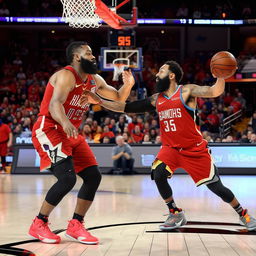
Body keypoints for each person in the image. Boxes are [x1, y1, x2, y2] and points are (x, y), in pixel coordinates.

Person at [81, 60, 256, 231]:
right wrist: (100, 101)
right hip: (171, 148)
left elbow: (213, 91)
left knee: (216, 187)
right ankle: (175, 213)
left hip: (194, 149)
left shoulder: (186, 91)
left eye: (162, 71)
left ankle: (243, 214)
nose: (157, 74)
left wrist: (220, 76)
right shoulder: (157, 99)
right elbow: (124, 107)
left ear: (172, 75)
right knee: (158, 173)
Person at [29, 41, 135, 244]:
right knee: (67, 178)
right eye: (89, 53)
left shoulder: (94, 79)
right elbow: (55, 103)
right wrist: (66, 122)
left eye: (93, 53)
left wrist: (128, 85)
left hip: (70, 133)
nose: (94, 56)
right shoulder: (66, 75)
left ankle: (75, 224)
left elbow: (119, 98)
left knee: (93, 176)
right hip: (49, 128)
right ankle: (39, 223)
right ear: (77, 57)